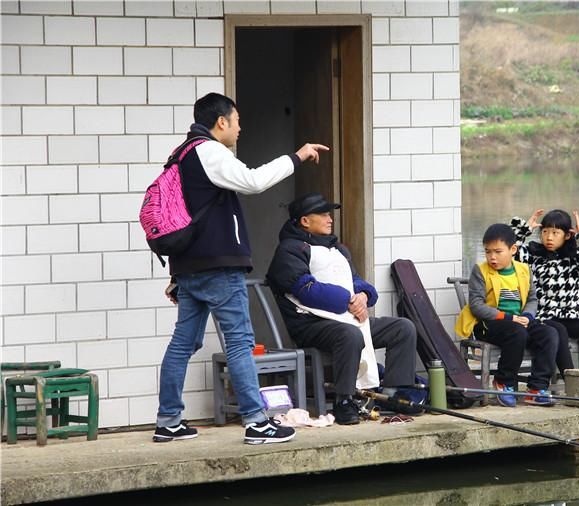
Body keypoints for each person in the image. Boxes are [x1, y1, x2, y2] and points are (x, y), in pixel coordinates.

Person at [153, 92, 329, 445]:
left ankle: (168, 420)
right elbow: (252, 181)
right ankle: (256, 422)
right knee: (240, 342)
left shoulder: (181, 154)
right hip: (218, 266)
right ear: (221, 122)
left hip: (189, 266)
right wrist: (296, 157)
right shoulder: (209, 150)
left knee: (182, 343)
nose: (239, 129)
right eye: (236, 121)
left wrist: (177, 275)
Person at [266, 192, 421, 425]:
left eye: (330, 214)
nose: (330, 219)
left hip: (348, 318)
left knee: (403, 328)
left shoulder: (337, 248)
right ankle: (345, 401)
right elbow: (306, 290)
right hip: (311, 325)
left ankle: (393, 393)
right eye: (324, 214)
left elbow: (357, 281)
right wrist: (349, 301)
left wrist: (363, 296)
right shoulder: (289, 250)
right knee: (350, 335)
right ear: (305, 221)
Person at [455, 224, 559, 407]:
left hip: (519, 321)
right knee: (517, 332)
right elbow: (477, 306)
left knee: (549, 334)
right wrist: (509, 318)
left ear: (512, 250)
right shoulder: (480, 271)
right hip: (489, 323)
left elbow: (532, 298)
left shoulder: (523, 270)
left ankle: (536, 388)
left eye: (497, 251)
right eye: (488, 252)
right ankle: (504, 382)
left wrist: (528, 315)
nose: (492, 257)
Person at [510, 209, 579, 375]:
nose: (549, 237)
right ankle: (573, 382)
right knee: (558, 330)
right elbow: (508, 253)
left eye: (555, 232)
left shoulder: (574, 260)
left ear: (567, 235)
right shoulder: (532, 257)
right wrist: (523, 230)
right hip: (543, 318)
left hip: (571, 317)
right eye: (545, 232)